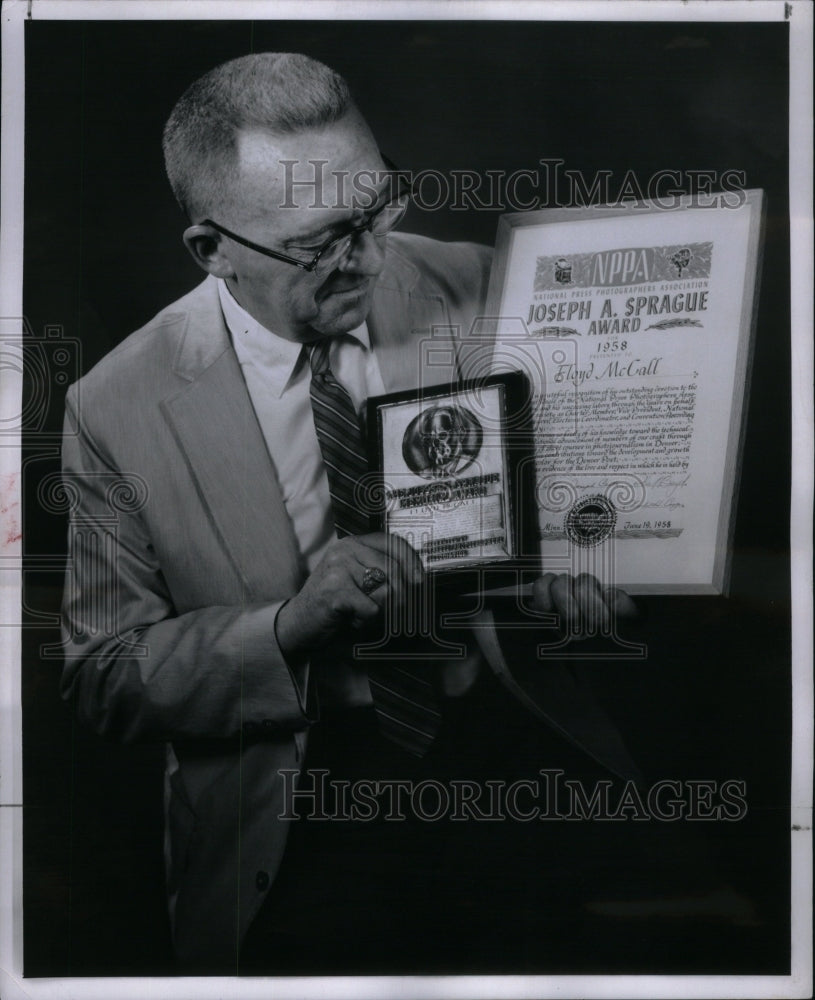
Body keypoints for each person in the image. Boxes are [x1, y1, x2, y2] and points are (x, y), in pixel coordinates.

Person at [59, 52, 638, 972]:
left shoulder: (486, 284)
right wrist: (288, 626)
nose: (366, 259)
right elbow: (104, 675)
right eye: (318, 242)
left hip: (503, 754)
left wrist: (579, 571)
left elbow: (579, 504)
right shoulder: (112, 407)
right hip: (289, 809)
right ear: (212, 251)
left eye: (375, 210)